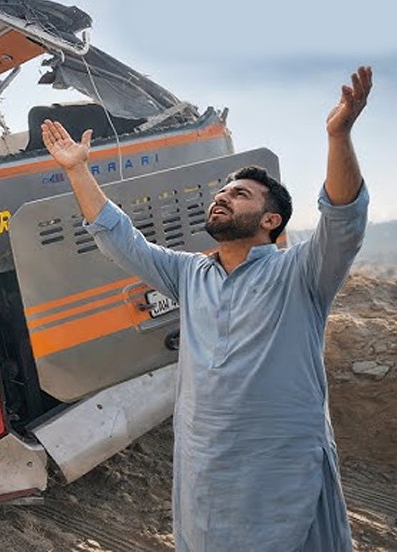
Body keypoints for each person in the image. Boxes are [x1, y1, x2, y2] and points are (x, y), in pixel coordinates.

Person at [40, 66, 372, 551]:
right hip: (209, 472)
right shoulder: (189, 273)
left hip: (283, 469)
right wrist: (77, 170)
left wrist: (338, 135)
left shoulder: (300, 272)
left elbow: (343, 219)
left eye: (240, 195)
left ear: (270, 220)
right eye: (222, 192)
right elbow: (118, 237)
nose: (222, 197)